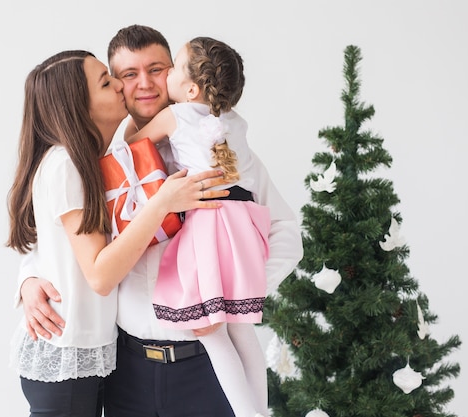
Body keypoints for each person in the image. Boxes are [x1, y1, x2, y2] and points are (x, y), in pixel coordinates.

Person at [17, 25, 304, 417]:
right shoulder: (99, 162)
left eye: (156, 69)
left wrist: (227, 296)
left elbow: (286, 232)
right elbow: (57, 239)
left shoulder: (220, 150)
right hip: (125, 368)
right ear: (114, 85)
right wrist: (29, 279)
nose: (145, 84)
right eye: (128, 75)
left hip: (204, 363)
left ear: (179, 77)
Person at [6, 49, 228, 417]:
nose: (126, 87)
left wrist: (229, 297)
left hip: (108, 358)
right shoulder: (67, 165)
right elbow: (98, 273)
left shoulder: (192, 146)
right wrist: (162, 203)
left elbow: (59, 247)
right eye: (109, 81)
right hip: (73, 356)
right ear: (79, 104)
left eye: (156, 70)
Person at [126, 36, 270, 417]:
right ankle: (258, 412)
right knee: (241, 328)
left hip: (208, 227)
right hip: (243, 226)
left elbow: (132, 146)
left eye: (172, 66)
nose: (167, 73)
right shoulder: (237, 122)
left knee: (210, 331)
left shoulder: (177, 115)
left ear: (190, 88)